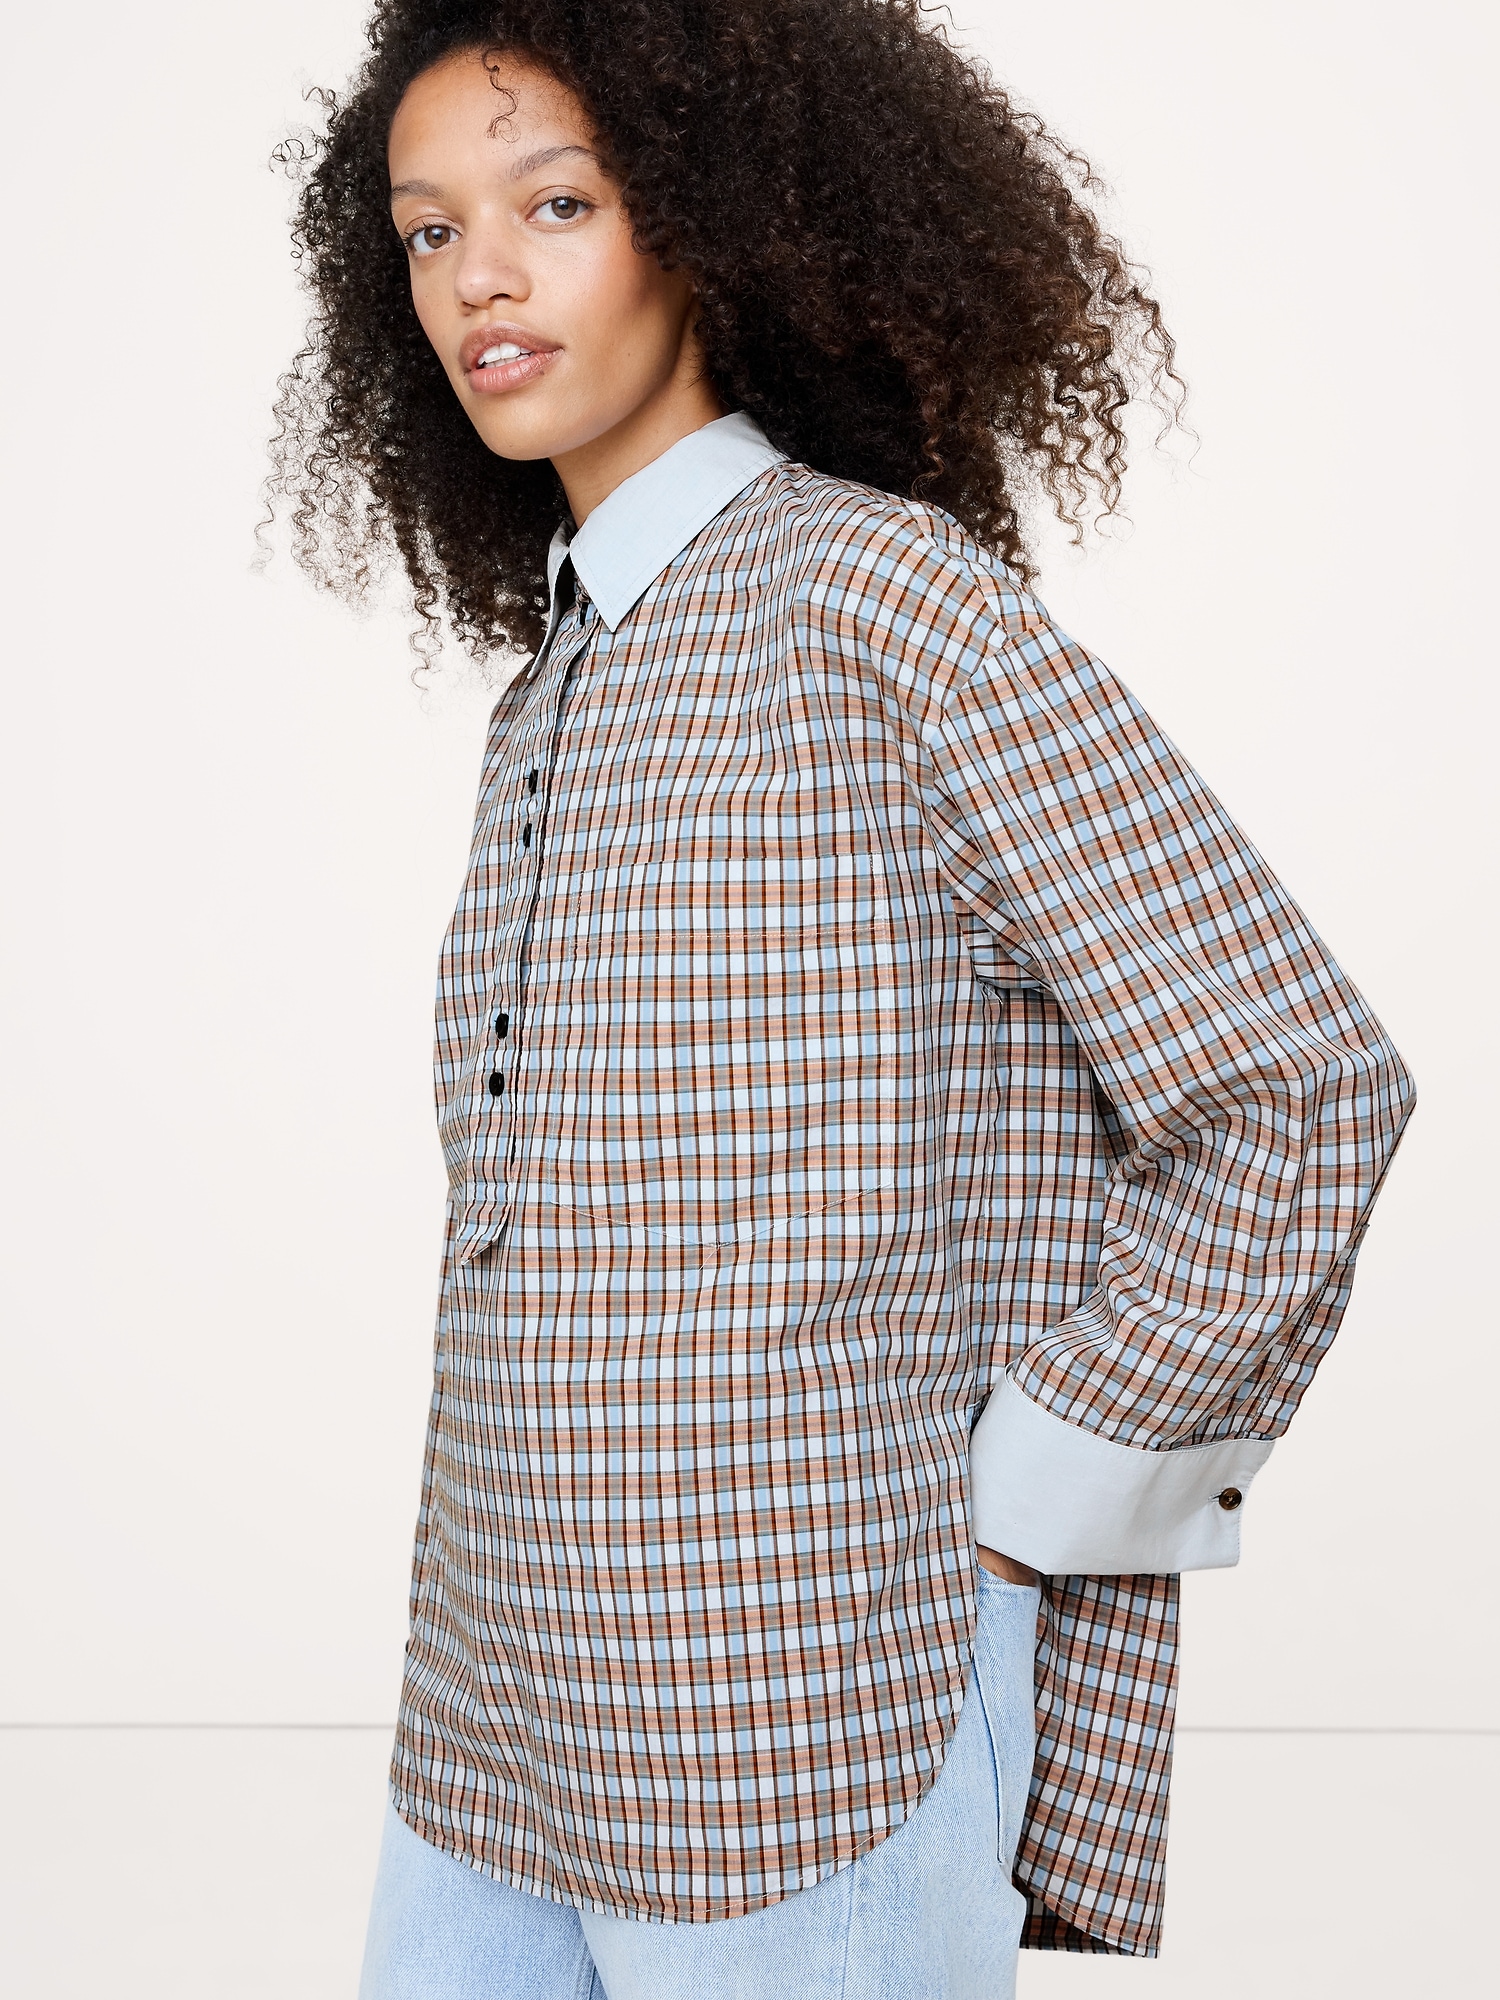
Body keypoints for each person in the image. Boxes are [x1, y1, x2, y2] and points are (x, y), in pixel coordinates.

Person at [269, 3, 1414, 1992]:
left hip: (804, 1714)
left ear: (707, 217)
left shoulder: (887, 603)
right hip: (489, 1710)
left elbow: (1298, 1081)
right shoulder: (556, 685)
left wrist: (1023, 1507)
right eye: (430, 229)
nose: (482, 278)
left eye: (557, 202)